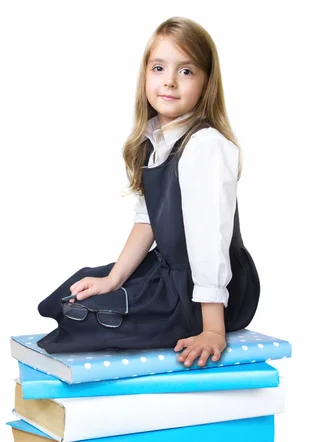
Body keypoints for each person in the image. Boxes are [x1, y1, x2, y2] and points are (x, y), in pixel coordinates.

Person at [36, 16, 260, 368]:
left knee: (87, 323)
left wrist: (212, 329)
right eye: (159, 68)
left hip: (205, 291)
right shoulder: (157, 141)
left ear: (206, 84)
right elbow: (148, 222)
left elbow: (209, 241)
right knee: (68, 295)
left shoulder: (205, 146)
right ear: (145, 76)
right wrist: (114, 279)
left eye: (186, 71)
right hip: (169, 272)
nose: (169, 81)